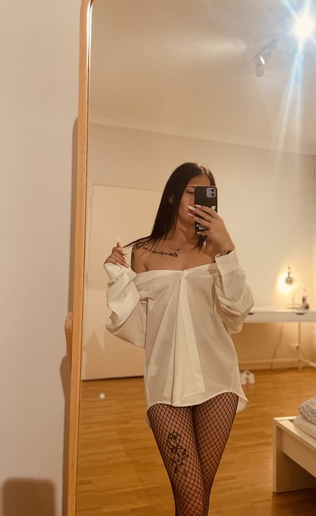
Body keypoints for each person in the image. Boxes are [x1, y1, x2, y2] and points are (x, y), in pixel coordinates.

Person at [104, 162, 254, 516]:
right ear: (173, 196)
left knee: (197, 495)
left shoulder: (218, 252)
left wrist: (228, 249)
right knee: (191, 495)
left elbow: (237, 313)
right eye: (191, 192)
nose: (198, 201)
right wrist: (118, 278)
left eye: (206, 194)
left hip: (218, 381)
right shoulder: (143, 252)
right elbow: (138, 327)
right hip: (165, 384)